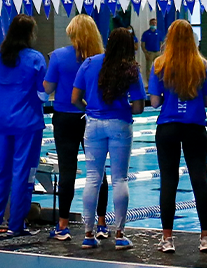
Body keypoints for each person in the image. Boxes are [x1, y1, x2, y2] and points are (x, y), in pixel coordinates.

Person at [72, 25, 146, 250]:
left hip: (93, 124)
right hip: (120, 124)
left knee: (93, 178)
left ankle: (87, 234)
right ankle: (120, 234)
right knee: (120, 179)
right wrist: (122, 110)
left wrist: (90, 108)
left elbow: (75, 98)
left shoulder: (89, 63)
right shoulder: (131, 69)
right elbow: (139, 107)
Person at [150, 18, 207, 253]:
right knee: (200, 180)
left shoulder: (159, 64)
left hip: (168, 127)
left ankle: (167, 239)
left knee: (168, 181)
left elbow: (155, 102)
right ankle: (205, 238)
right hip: (195, 127)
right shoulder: (202, 65)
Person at [44, 14, 108, 241]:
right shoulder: (102, 58)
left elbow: (48, 86)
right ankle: (101, 224)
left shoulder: (59, 56)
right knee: (98, 171)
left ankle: (63, 226)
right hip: (93, 117)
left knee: (67, 170)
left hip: (65, 118)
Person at [0, 15, 49, 237]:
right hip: (28, 124)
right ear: (29, 34)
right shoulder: (35, 58)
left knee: (2, 172)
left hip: (4, 122)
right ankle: (16, 224)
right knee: (24, 174)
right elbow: (43, 94)